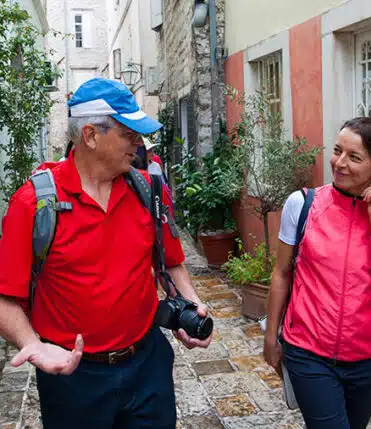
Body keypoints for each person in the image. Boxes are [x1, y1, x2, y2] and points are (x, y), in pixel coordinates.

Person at [0, 77, 212, 429]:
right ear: (91, 135)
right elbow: (5, 299)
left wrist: (190, 305)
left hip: (148, 366)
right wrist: (33, 344)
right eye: (129, 133)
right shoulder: (34, 205)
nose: (138, 144)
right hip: (73, 378)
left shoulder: (148, 190)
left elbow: (171, 263)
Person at [263, 117, 371, 429]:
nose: (339, 163)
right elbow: (282, 273)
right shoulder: (302, 204)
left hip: (367, 360)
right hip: (308, 353)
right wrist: (271, 335)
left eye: (354, 157)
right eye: (337, 151)